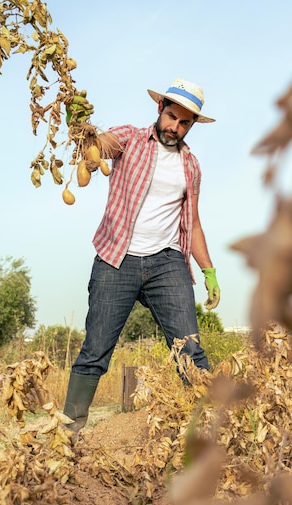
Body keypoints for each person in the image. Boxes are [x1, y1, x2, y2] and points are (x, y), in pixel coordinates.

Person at [63, 77, 221, 434]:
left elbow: (192, 224)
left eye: (184, 123)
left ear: (192, 125)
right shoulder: (131, 139)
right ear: (159, 109)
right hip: (116, 259)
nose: (174, 127)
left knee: (190, 351)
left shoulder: (191, 166)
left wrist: (209, 271)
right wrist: (80, 125)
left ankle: (211, 433)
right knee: (95, 351)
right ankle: (68, 433)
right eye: (171, 117)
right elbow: (96, 147)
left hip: (167, 264)